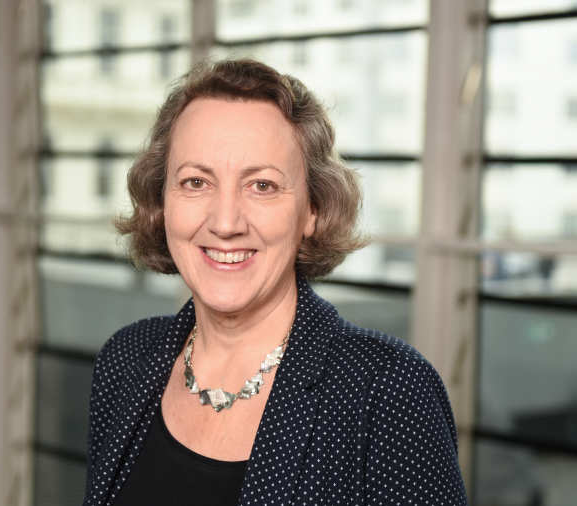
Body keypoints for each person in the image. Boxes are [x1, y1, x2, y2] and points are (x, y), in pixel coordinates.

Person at [82, 59, 468, 506]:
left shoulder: (388, 392)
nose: (226, 222)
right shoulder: (126, 360)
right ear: (162, 201)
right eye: (196, 181)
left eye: (262, 186)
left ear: (313, 210)